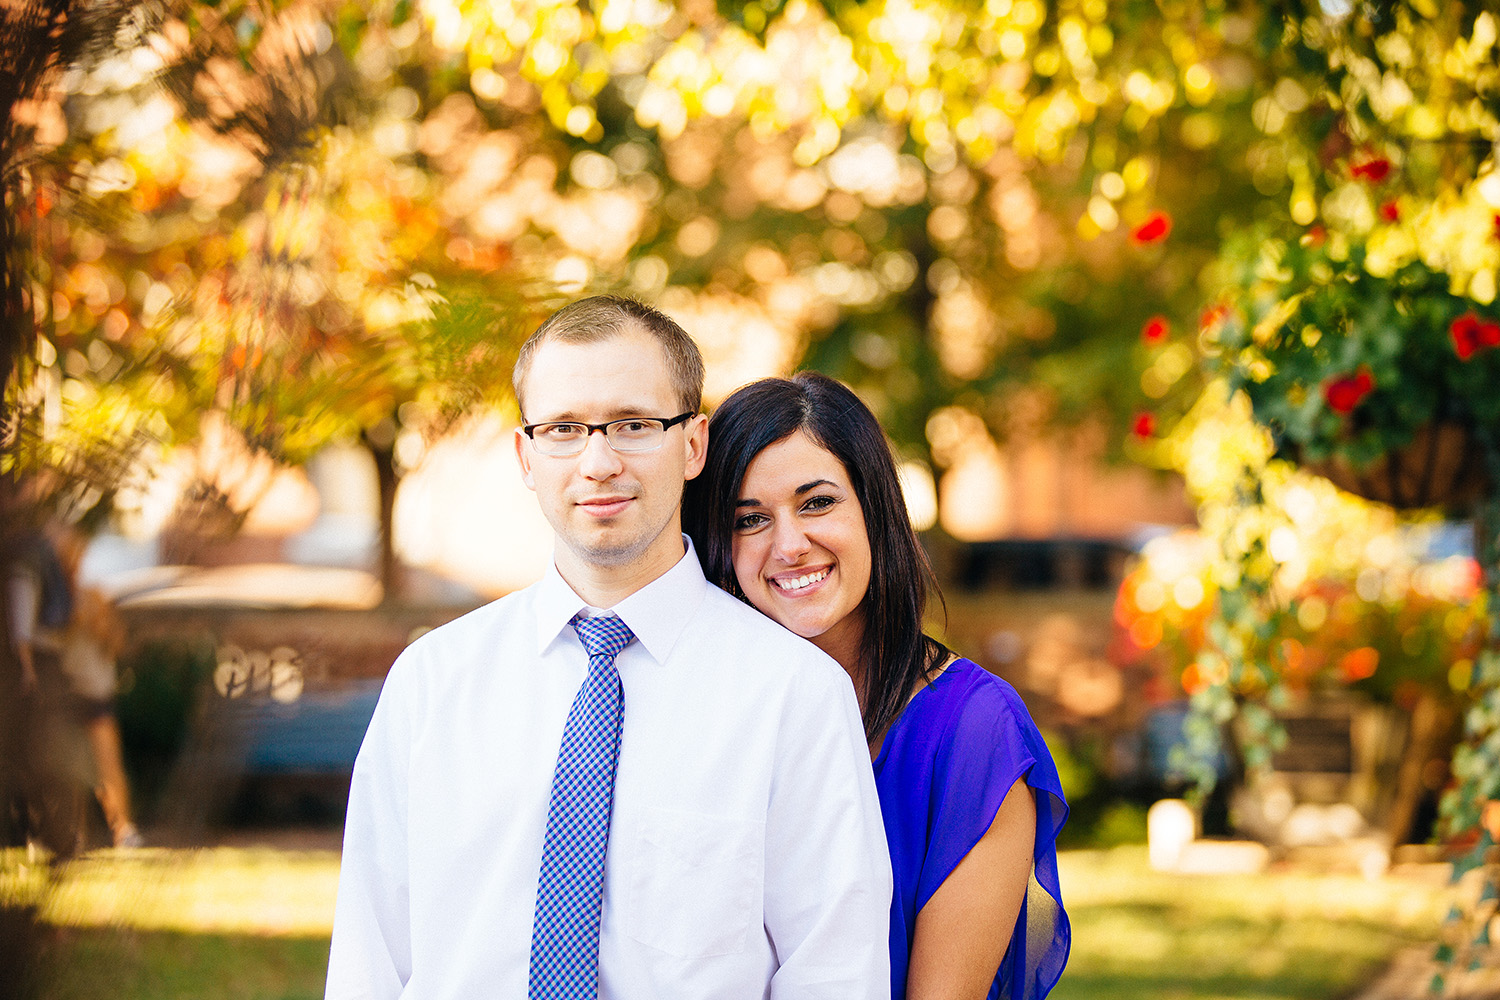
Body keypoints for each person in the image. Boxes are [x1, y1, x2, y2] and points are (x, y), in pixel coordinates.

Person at [326, 296, 891, 1000]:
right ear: (526, 456)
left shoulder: (793, 695)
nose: (598, 461)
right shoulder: (434, 681)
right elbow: (370, 958)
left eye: (632, 424)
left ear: (692, 445)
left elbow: (833, 969)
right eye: (563, 428)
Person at [684, 373, 1070, 1000]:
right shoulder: (698, 715)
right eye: (750, 519)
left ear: (875, 509)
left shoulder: (973, 733)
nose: (789, 546)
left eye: (817, 503)